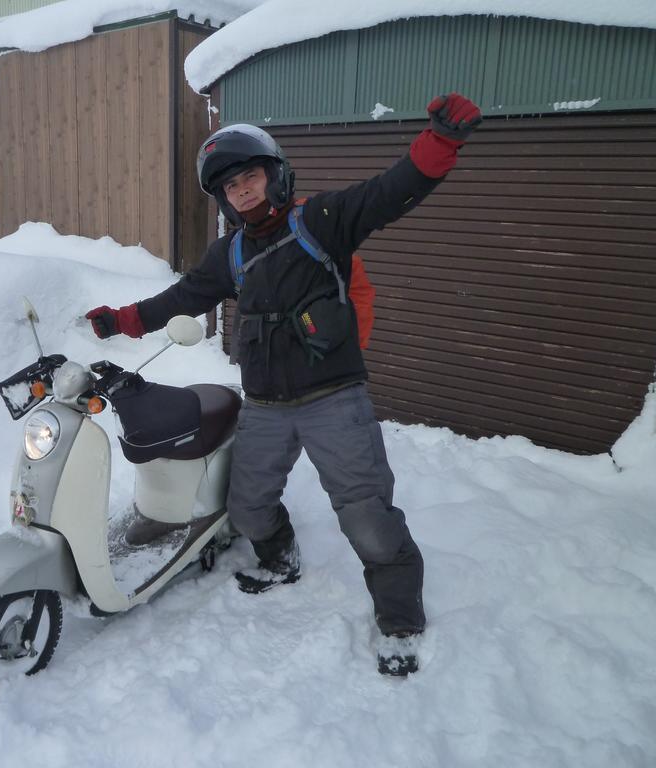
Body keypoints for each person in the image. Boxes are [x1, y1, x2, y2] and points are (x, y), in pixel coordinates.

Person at [85, 94, 482, 675]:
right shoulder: (231, 252)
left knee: (366, 516)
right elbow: (184, 298)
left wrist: (439, 143)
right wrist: (123, 320)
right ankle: (281, 559)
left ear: (275, 175)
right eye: (231, 187)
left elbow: (392, 190)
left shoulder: (321, 220)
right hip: (267, 405)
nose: (243, 191)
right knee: (247, 508)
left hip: (334, 400)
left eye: (251, 177)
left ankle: (399, 622)